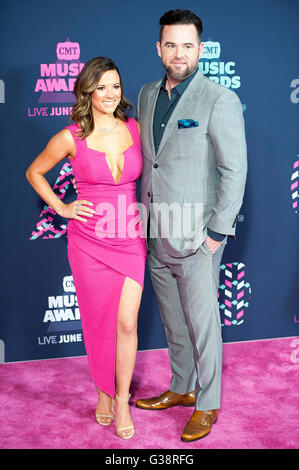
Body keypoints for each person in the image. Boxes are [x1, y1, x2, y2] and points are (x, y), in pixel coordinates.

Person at [135, 9, 247, 442]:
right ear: (158, 48)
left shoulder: (220, 98)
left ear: (200, 49)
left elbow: (234, 171)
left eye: (187, 45)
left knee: (203, 324)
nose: (178, 53)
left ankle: (208, 402)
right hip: (154, 231)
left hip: (198, 236)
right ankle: (181, 387)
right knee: (174, 322)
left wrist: (216, 233)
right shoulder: (146, 95)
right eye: (170, 44)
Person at [26, 57, 147, 440]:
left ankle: (123, 398)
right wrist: (62, 207)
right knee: (98, 323)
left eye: (115, 86)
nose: (110, 94)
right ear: (87, 91)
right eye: (102, 87)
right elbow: (34, 172)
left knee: (127, 323)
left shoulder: (136, 128)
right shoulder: (70, 136)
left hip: (130, 239)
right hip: (88, 242)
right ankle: (103, 392)